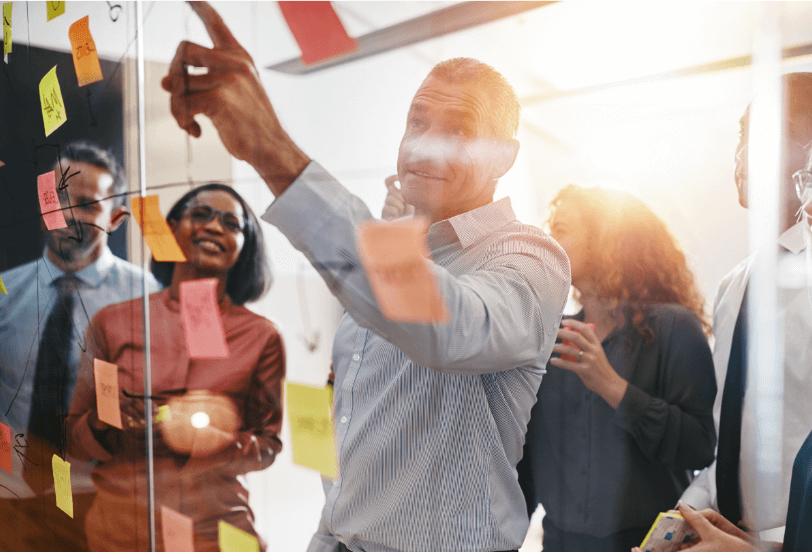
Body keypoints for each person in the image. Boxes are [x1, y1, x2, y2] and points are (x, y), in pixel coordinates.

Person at [161, 4, 571, 552]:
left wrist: (273, 151)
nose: (426, 144)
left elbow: (445, 327)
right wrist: (327, 536)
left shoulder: (529, 257)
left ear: (504, 158)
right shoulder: (395, 253)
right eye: (418, 122)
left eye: (460, 129)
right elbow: (350, 435)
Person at [66, 183, 283, 552]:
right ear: (171, 229)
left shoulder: (261, 337)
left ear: (245, 246)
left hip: (217, 532)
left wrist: (216, 441)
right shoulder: (113, 323)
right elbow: (72, 438)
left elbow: (268, 446)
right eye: (201, 214)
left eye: (232, 223)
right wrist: (106, 420)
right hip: (120, 532)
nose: (215, 227)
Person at [509, 185, 715, 552]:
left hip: (646, 546)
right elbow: (527, 464)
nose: (548, 239)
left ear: (605, 239)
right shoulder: (548, 335)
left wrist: (612, 387)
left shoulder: (674, 327)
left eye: (563, 228)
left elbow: (699, 447)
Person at [0, 141, 160, 552]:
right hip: (10, 497)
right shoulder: (4, 292)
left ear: (117, 218)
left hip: (102, 499)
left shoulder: (146, 300)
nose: (68, 213)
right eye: (59, 197)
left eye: (88, 204)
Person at [680, 72, 812, 543]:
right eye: (740, 136)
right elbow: (732, 429)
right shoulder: (734, 285)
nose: (740, 155)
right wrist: (694, 509)